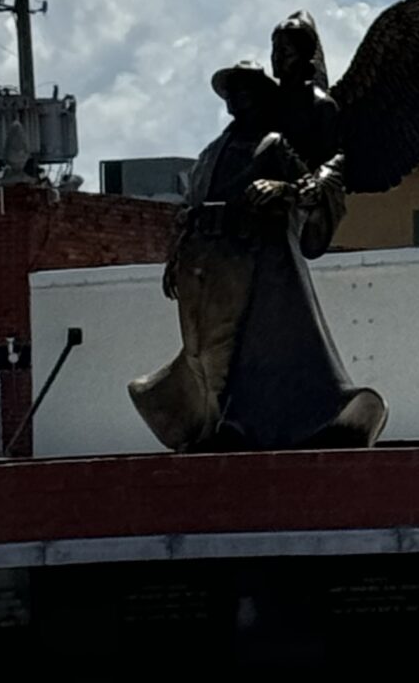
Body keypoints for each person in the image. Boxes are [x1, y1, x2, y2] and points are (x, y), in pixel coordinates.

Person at [130, 61, 387, 453]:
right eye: (232, 91)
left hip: (243, 256)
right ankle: (203, 423)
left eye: (246, 88)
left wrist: (282, 188)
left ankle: (226, 425)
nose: (238, 97)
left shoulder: (274, 145)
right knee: (198, 347)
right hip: (202, 259)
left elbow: (309, 192)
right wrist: (174, 258)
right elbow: (188, 209)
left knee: (222, 350)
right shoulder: (210, 153)